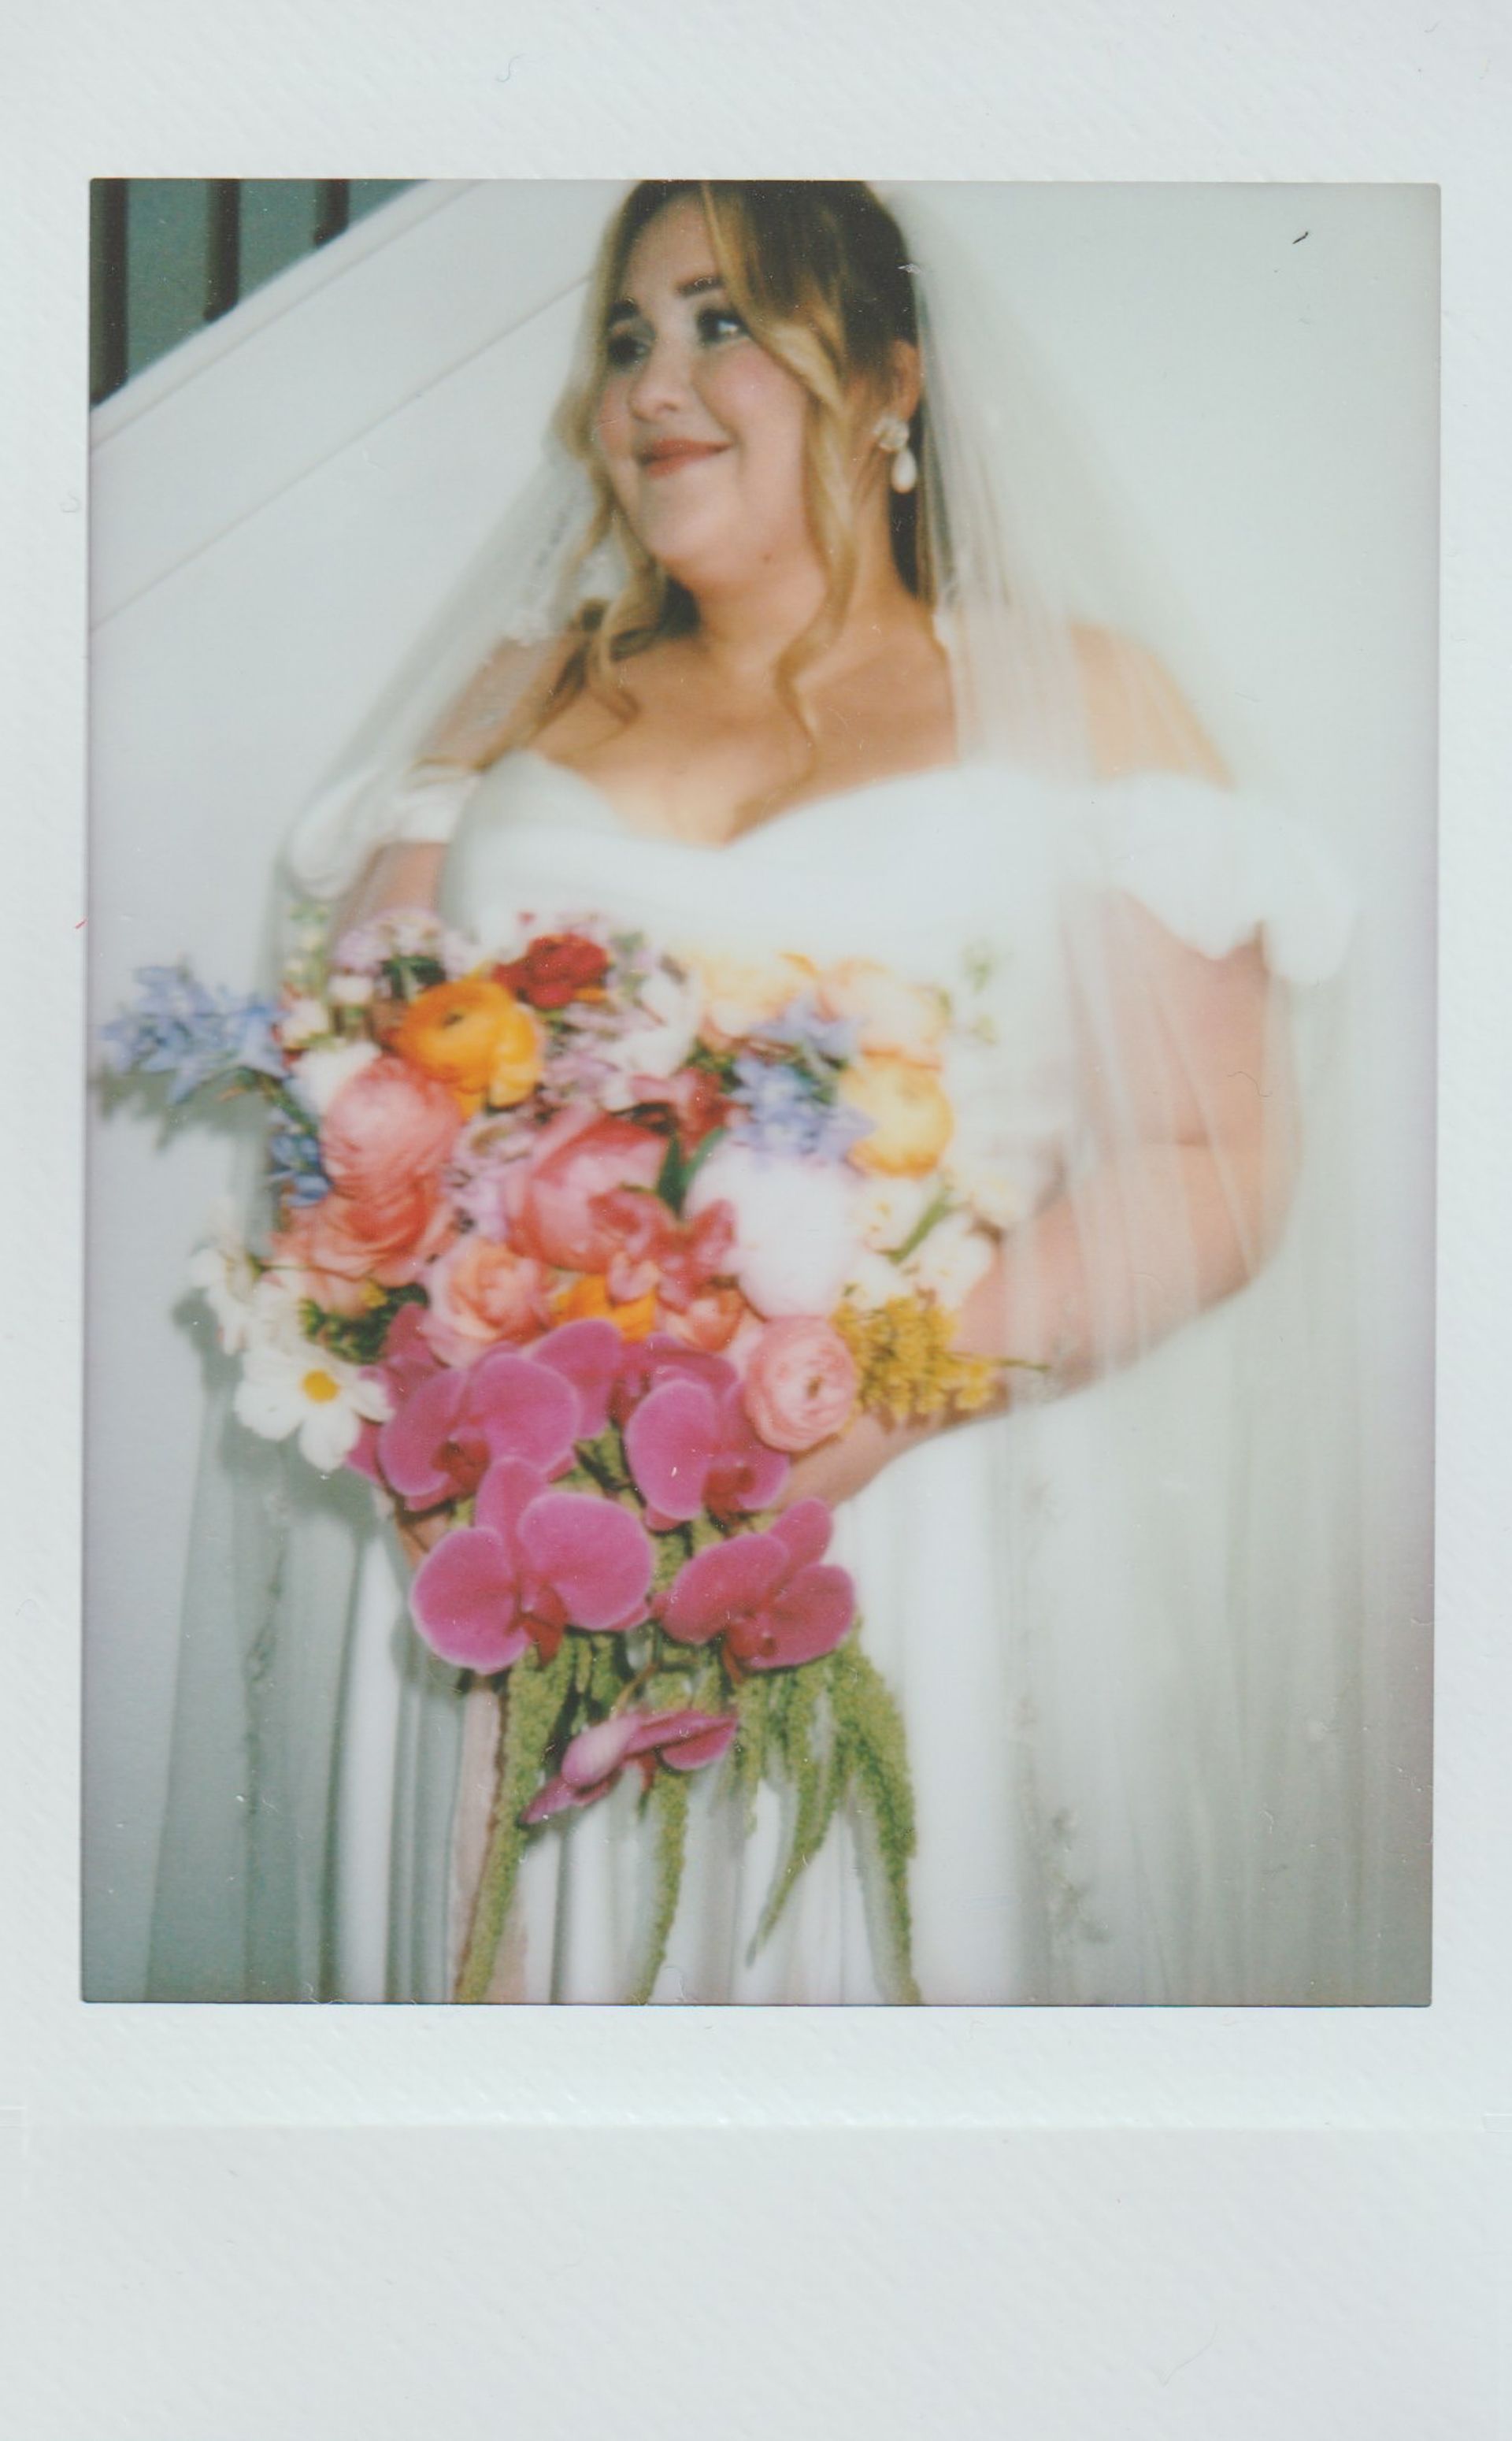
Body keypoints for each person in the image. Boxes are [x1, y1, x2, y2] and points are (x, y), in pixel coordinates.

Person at [149, 181, 1366, 2005]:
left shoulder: (1079, 703)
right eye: (629, 334)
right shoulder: (513, 703)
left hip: (908, 1524)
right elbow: (348, 1133)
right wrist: (436, 1433)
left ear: (890, 381)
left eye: (724, 319)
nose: (656, 380)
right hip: (529, 1564)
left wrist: (855, 1410)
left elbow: (1217, 1158)